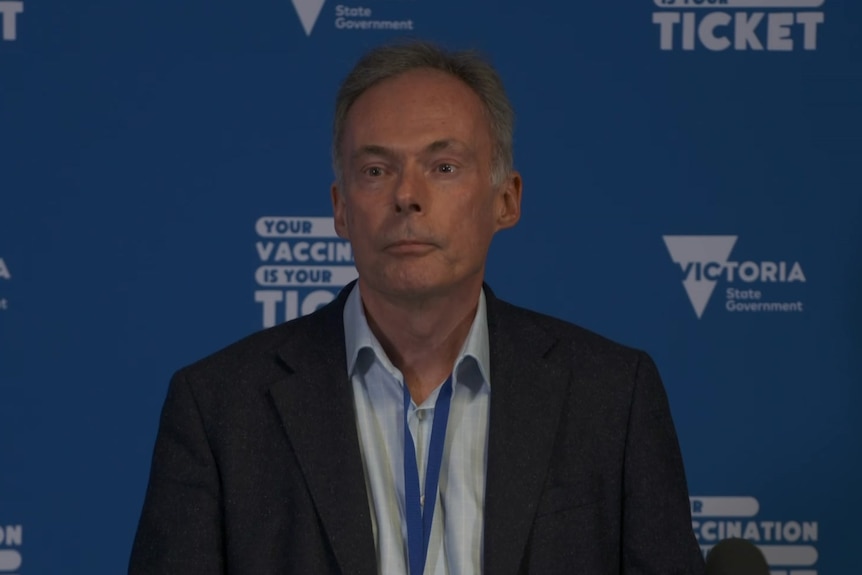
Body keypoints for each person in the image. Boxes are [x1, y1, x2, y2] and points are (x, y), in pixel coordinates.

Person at [129, 41, 705, 574]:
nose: (407, 195)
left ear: (506, 200)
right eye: (376, 171)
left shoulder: (612, 396)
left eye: (443, 167)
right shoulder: (218, 409)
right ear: (340, 210)